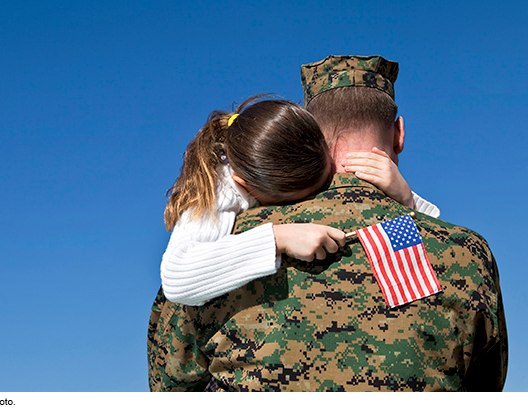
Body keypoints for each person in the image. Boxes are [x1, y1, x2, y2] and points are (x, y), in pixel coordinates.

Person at [148, 55, 507, 391]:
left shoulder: (219, 251)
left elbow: (171, 384)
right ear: (398, 134)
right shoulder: (465, 253)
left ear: (306, 135)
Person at [161, 95, 439, 306]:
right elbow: (176, 279)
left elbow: (439, 232)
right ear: (246, 186)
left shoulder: (289, 150)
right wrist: (279, 237)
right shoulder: (222, 188)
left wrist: (405, 197)